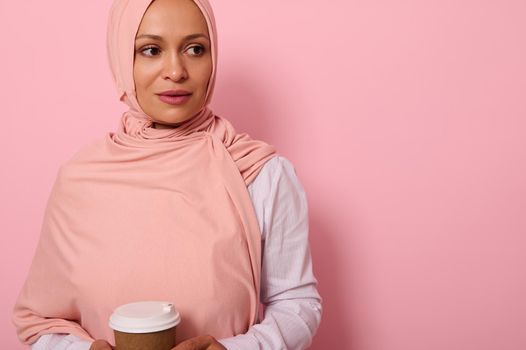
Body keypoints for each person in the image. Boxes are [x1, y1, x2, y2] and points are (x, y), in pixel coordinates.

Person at [11, 0, 322, 349]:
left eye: (194, 49)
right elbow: (41, 323)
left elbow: (297, 304)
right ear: (121, 58)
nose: (175, 71)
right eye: (151, 50)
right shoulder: (80, 181)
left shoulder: (260, 173)